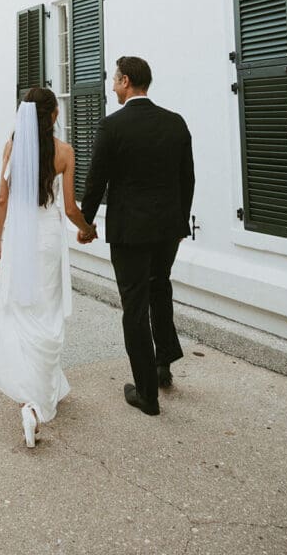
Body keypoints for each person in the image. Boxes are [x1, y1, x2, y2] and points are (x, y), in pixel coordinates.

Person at [0, 87, 95, 448]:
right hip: (46, 240)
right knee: (47, 314)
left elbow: (2, 200)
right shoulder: (65, 152)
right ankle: (34, 405)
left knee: (22, 312)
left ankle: (41, 389)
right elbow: (71, 209)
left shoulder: (12, 148)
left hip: (18, 237)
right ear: (54, 114)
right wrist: (88, 229)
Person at [81, 56, 195, 417]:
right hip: (166, 230)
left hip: (131, 231)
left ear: (127, 81)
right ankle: (163, 366)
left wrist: (85, 223)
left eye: (115, 81)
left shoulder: (112, 126)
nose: (112, 87)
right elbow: (187, 179)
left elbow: (96, 180)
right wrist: (180, 225)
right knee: (160, 288)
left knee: (135, 305)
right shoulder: (175, 123)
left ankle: (147, 394)